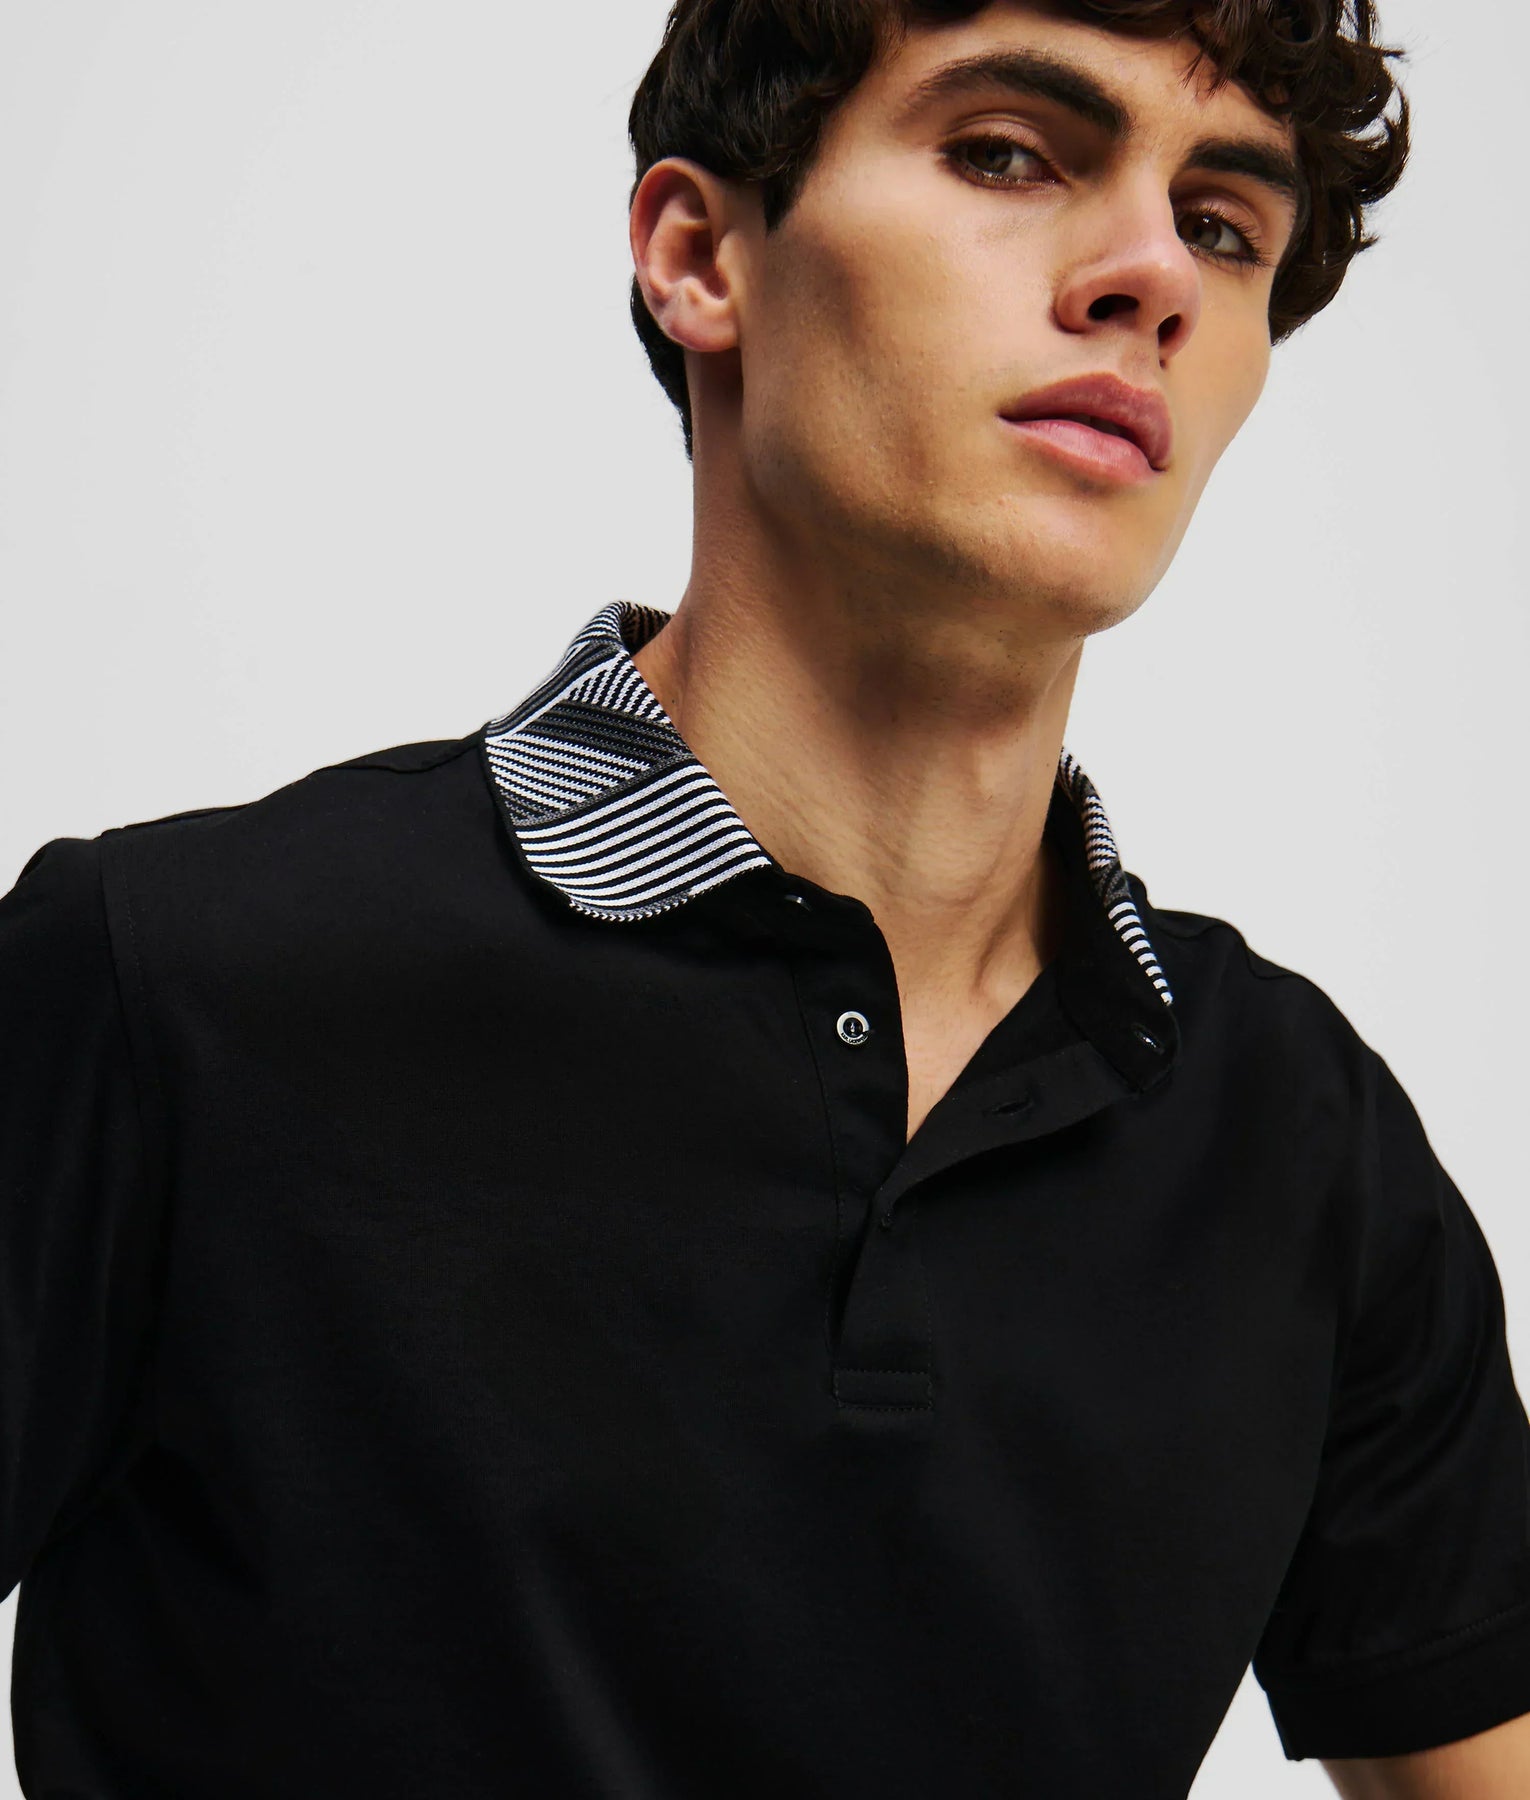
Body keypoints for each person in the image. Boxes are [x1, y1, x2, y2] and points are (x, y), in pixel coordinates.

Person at [3, 0, 1527, 1795]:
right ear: (697, 254)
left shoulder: (1297, 1141)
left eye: (1220, 223)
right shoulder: (175, 984)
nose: (1150, 278)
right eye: (1007, 155)